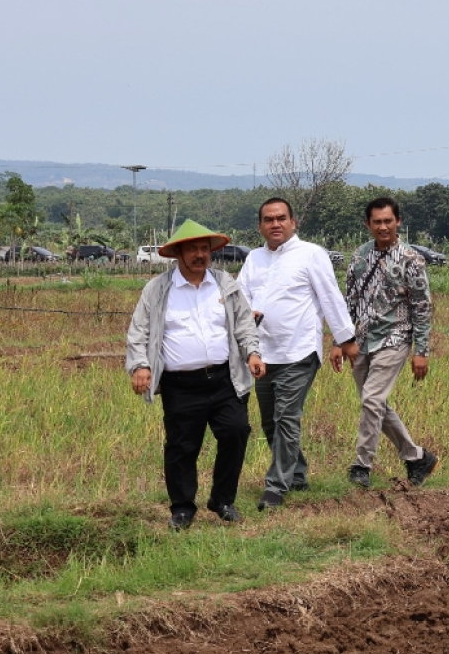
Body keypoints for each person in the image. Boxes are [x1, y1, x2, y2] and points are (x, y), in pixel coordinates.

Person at [125, 220, 265, 531]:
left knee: (236, 430)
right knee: (182, 446)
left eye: (204, 249)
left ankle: (222, 499)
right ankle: (183, 508)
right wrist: (140, 366)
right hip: (180, 385)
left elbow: (244, 324)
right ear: (178, 254)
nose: (200, 255)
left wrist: (252, 353)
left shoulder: (224, 283)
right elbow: (139, 331)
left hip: (224, 378)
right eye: (193, 249)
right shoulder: (158, 289)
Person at [237, 197, 358, 510]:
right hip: (263, 354)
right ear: (260, 225)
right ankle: (299, 474)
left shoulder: (311, 255)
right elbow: (240, 298)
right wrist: (247, 317)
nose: (275, 224)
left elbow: (331, 297)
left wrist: (345, 340)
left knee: (286, 419)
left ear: (293, 222)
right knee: (269, 423)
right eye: (268, 219)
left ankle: (275, 486)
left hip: (299, 351)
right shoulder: (254, 259)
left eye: (281, 218)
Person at [343, 196, 438, 488]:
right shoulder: (359, 257)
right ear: (368, 224)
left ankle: (362, 465)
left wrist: (420, 351)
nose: (383, 227)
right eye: (377, 222)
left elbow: (422, 307)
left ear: (398, 222)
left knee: (372, 400)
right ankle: (416, 457)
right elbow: (349, 302)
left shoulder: (412, 259)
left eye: (388, 221)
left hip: (395, 337)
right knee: (376, 404)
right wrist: (341, 341)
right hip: (362, 341)